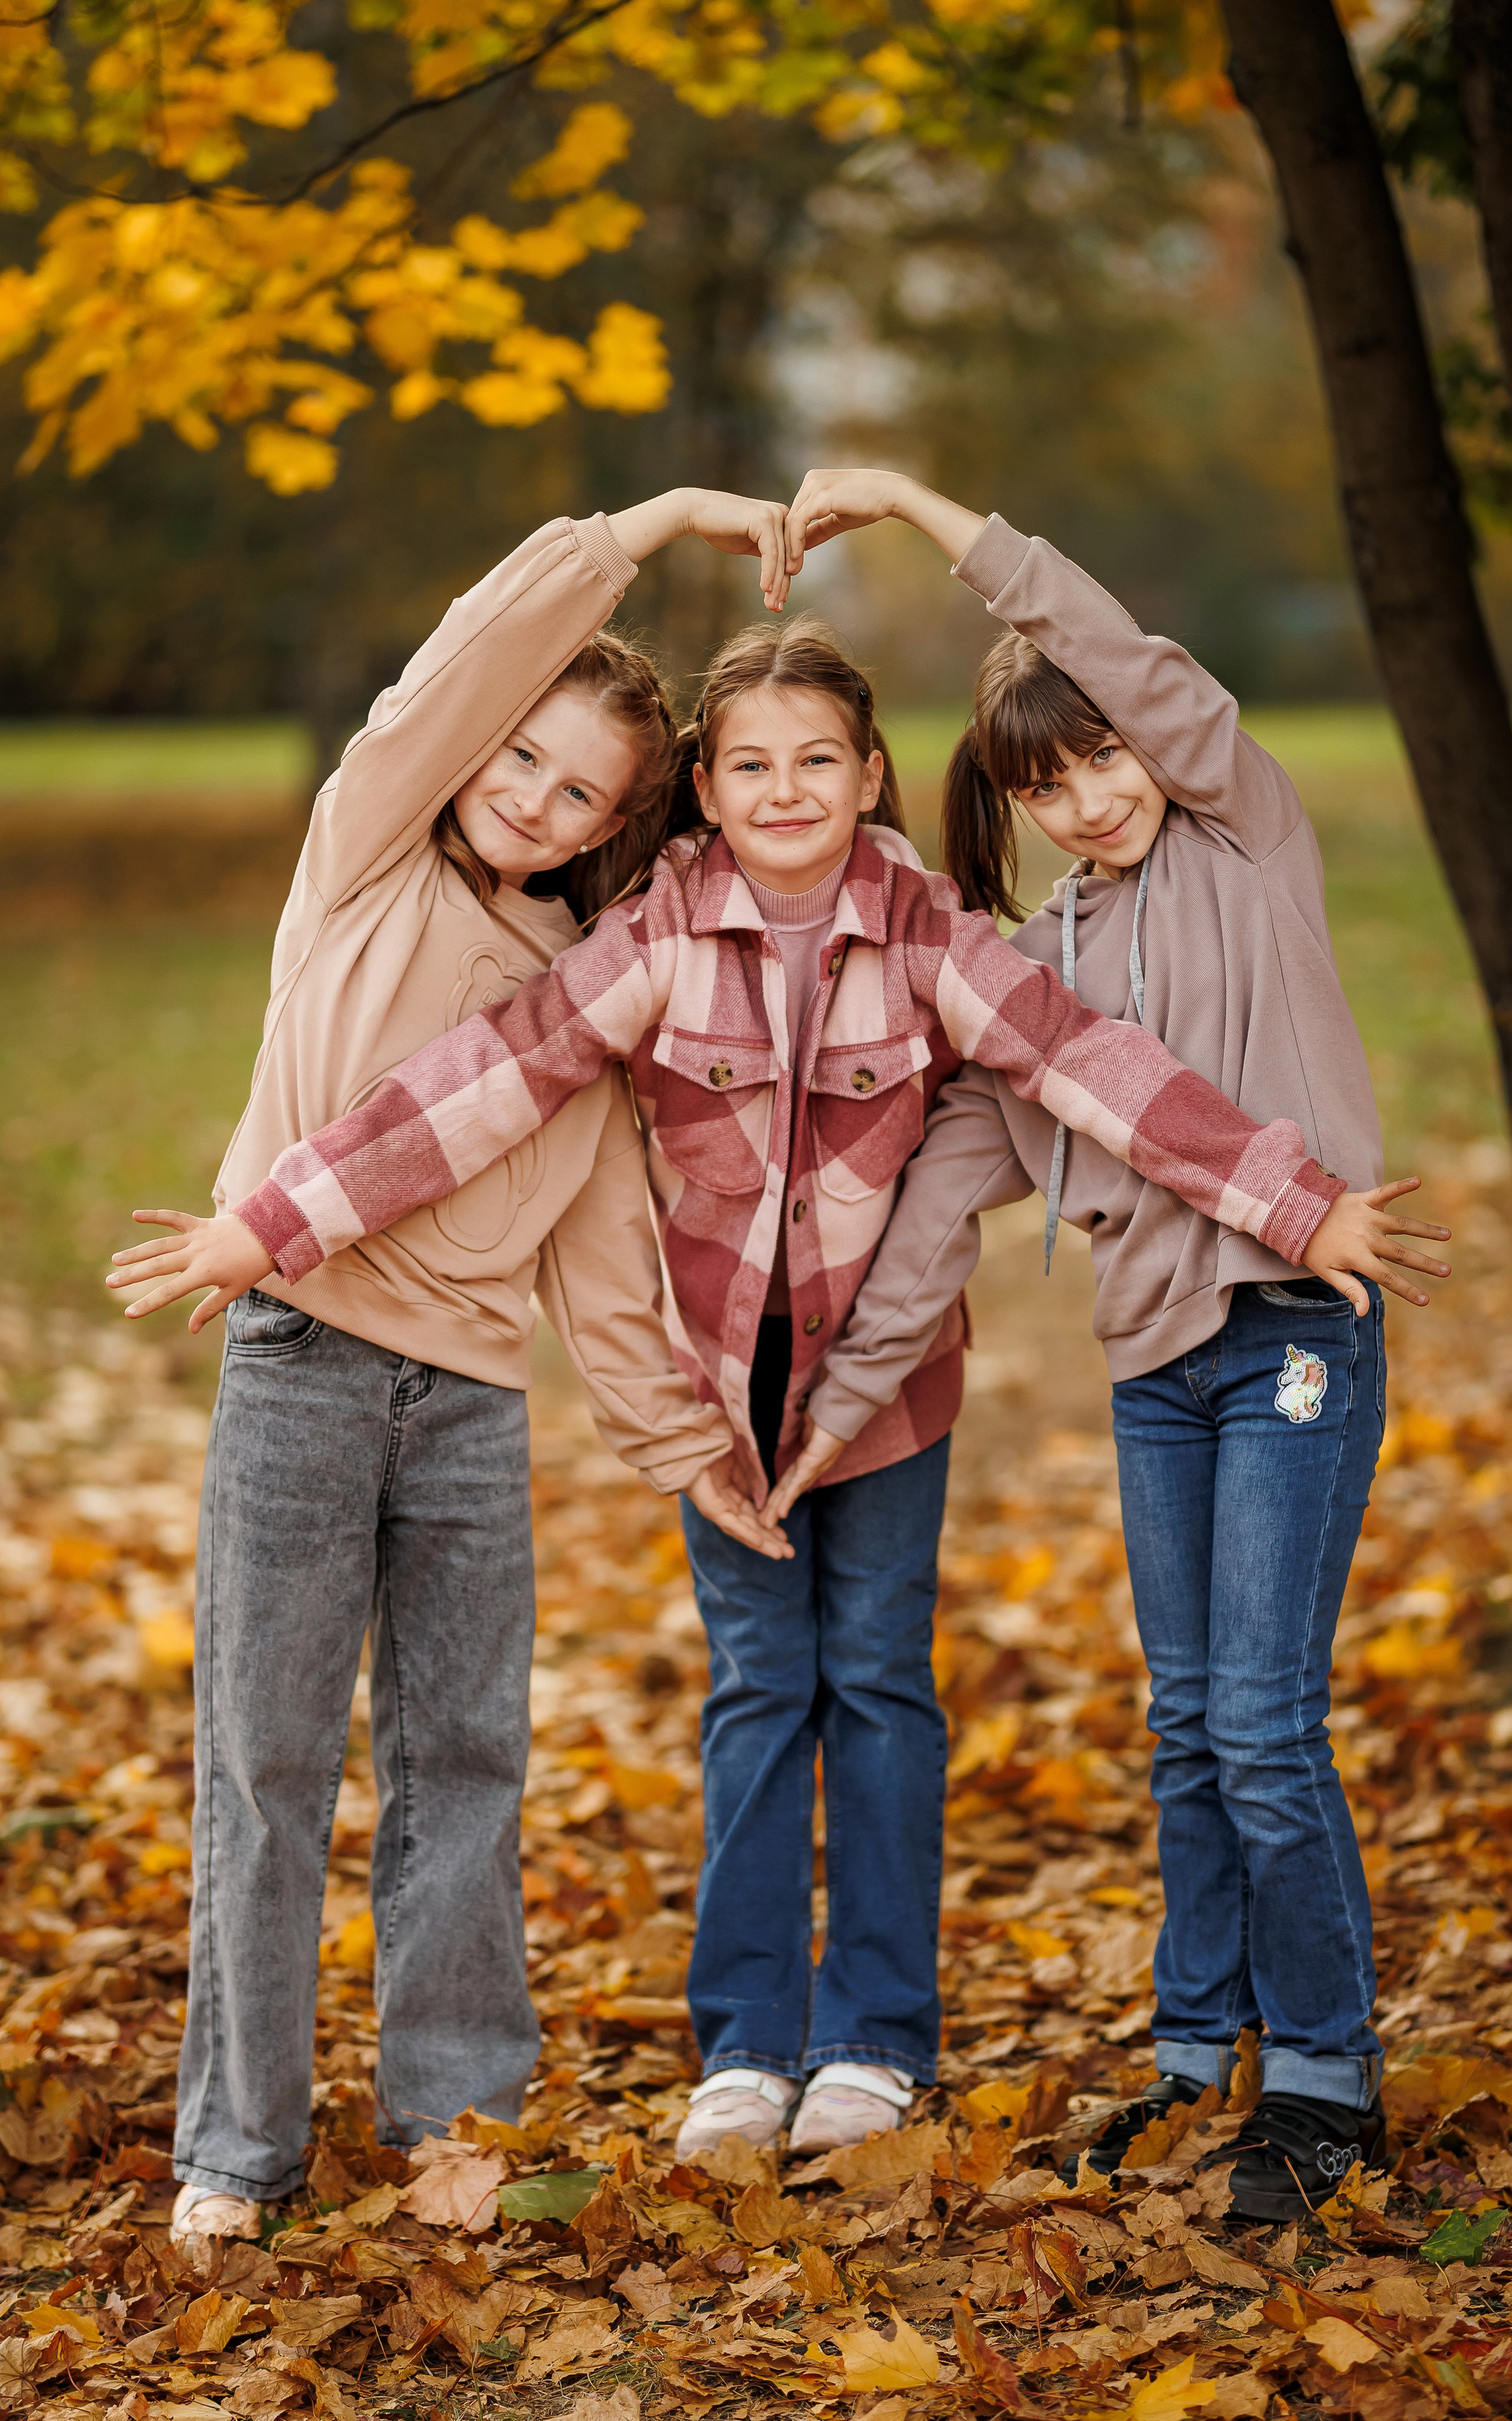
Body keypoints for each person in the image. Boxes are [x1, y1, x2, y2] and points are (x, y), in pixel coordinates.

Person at [113, 515, 1431, 2169]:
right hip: (723, 1399)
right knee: (754, 1694)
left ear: (873, 777)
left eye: (819, 759)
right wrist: (276, 1218)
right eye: (750, 764)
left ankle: (875, 2037)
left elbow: (1096, 1068)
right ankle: (744, 2044)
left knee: (878, 1686)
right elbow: (480, 1083)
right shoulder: (653, 937)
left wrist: (1297, 1204)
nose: (786, 788)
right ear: (705, 789)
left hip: (891, 1393)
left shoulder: (937, 934)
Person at [105, 488, 800, 2257]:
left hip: (470, 1412)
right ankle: (238, 2148)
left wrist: (686, 1448)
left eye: (581, 794)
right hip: (302, 1364)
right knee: (267, 1767)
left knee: (469, 1766)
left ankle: (454, 2120)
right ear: (476, 739)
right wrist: (642, 527)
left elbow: (604, 1263)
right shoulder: (364, 855)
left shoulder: (587, 1000)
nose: (534, 800)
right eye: (521, 756)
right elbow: (454, 673)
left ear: (617, 827)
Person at [775, 468, 1453, 2223]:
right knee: (1190, 1727)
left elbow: (1119, 652)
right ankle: (1191, 2053)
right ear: (1011, 805)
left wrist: (918, 510)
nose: (1090, 799)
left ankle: (1324, 2083)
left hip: (1297, 1338)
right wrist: (831, 1409)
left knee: (1267, 1728)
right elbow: (938, 1205)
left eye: (1103, 757)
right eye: (1045, 784)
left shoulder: (1249, 842)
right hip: (1159, 1372)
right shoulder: (1036, 973)